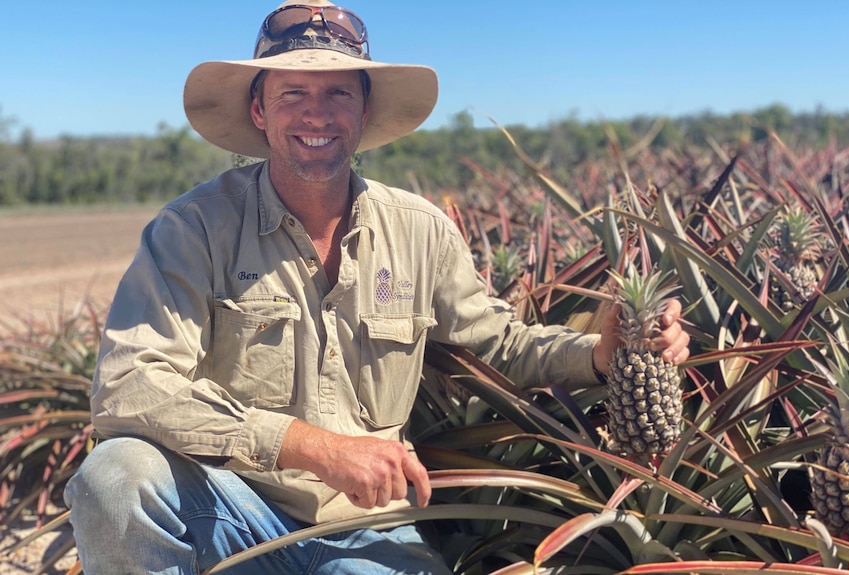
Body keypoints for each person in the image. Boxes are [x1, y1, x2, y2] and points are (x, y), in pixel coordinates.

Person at [63, 1, 691, 573]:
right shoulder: (193, 229)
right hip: (235, 514)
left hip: (368, 531)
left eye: (339, 91)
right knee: (117, 476)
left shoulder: (419, 230)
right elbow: (130, 385)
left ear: (364, 111)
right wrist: (312, 446)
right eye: (293, 92)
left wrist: (600, 355)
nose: (317, 112)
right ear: (259, 109)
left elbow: (498, 343)